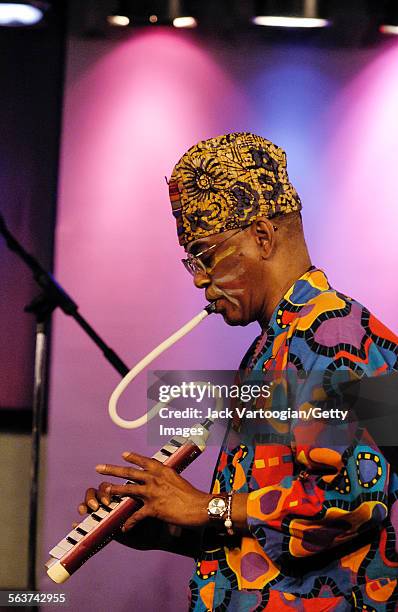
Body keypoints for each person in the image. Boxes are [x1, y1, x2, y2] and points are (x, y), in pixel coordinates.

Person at [79, 133, 398, 610]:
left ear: (263, 237)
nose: (198, 278)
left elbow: (356, 500)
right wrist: (166, 528)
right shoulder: (272, 347)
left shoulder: (344, 335)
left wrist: (204, 505)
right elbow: (273, 538)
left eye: (206, 256)